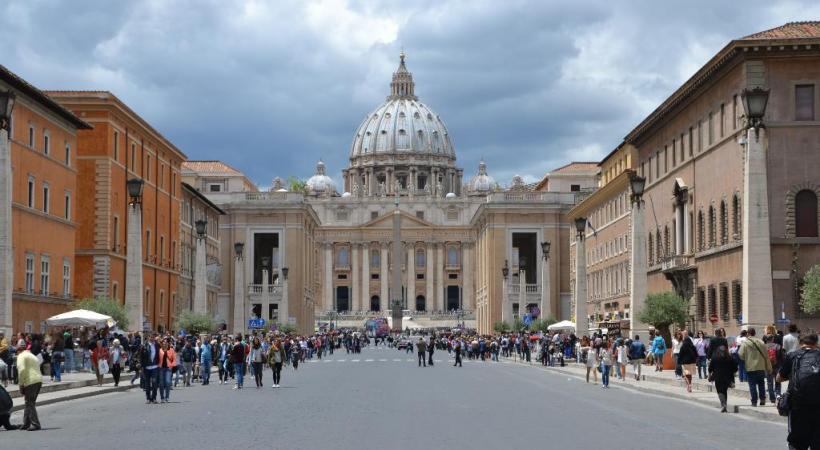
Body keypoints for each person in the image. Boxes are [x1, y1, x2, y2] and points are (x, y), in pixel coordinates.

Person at [777, 333, 820, 450]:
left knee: (797, 442)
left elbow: (779, 378)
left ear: (800, 343)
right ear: (816, 343)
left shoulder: (793, 355)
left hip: (798, 405)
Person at [738, 327, 772, 407]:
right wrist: (768, 367)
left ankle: (754, 401)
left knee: (752, 384)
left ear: (748, 334)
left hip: (750, 367)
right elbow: (766, 355)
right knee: (761, 384)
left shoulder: (745, 343)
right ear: (754, 333)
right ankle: (762, 399)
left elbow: (740, 354)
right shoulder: (761, 342)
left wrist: (746, 358)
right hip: (761, 366)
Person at [16, 343, 41, 430]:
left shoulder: (21, 356)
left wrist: (21, 384)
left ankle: (35, 424)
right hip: (38, 380)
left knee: (30, 402)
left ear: (18, 350)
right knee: (29, 402)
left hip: (30, 381)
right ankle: (26, 423)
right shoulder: (31, 355)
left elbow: (21, 370)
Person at [708, 343, 738, 413]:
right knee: (724, 391)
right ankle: (724, 405)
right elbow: (735, 368)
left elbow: (710, 368)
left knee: (720, 391)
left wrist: (710, 374)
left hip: (718, 377)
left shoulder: (715, 358)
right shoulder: (730, 358)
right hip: (728, 378)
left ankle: (723, 404)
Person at [141, 334, 160, 404]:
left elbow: (159, 355)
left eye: (153, 337)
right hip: (147, 368)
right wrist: (142, 367)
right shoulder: (144, 346)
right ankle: (148, 398)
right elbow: (141, 357)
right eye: (151, 337)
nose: (152, 338)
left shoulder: (157, 345)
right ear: (148, 337)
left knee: (154, 383)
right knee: (147, 384)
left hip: (155, 367)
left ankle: (154, 398)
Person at [158, 339, 176, 403]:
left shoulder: (171, 350)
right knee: (161, 383)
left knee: (168, 382)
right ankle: (162, 397)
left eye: (166, 342)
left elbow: (174, 359)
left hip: (168, 368)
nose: (165, 343)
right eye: (163, 342)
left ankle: (167, 397)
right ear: (162, 344)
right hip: (161, 368)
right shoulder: (159, 350)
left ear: (168, 343)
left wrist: (171, 365)